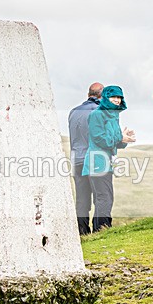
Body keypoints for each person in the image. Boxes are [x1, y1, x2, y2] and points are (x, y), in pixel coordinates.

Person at [81, 85, 135, 231]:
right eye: (114, 97)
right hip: (96, 162)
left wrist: (125, 139)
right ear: (105, 97)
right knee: (104, 197)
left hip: (107, 162)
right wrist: (120, 136)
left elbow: (114, 143)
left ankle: (101, 228)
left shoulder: (114, 115)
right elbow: (100, 139)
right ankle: (102, 228)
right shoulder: (96, 115)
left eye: (119, 97)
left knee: (106, 197)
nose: (117, 100)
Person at [68, 82, 103, 235]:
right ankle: (99, 231)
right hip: (94, 159)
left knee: (82, 199)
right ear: (101, 96)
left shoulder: (73, 112)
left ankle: (82, 231)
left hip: (76, 160)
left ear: (88, 94)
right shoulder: (100, 111)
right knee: (100, 196)